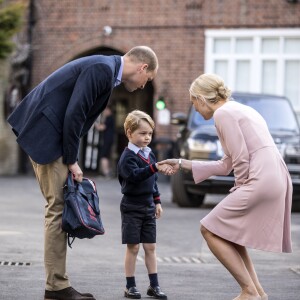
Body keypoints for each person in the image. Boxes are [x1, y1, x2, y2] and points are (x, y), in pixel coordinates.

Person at [7, 46, 159, 300]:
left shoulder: (106, 69)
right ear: (142, 68)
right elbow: (74, 113)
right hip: (48, 137)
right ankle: (56, 287)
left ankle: (57, 285)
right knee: (57, 208)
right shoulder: (102, 69)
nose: (145, 85)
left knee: (58, 207)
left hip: (49, 135)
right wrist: (72, 159)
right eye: (149, 79)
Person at [159, 73, 292, 300]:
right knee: (230, 233)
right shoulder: (240, 109)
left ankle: (249, 291)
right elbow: (226, 163)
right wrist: (181, 163)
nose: (196, 110)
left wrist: (241, 186)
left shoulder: (223, 114)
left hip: (260, 177)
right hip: (275, 174)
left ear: (202, 99)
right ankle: (258, 292)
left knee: (209, 228)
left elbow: (240, 159)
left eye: (194, 103)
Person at [117, 110, 169, 299]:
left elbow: (152, 180)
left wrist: (157, 201)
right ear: (130, 133)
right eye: (142, 133)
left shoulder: (149, 154)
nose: (147, 137)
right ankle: (130, 285)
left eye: (149, 133)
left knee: (150, 247)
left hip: (148, 206)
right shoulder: (127, 157)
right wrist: (154, 167)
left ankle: (154, 285)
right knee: (133, 247)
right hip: (131, 206)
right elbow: (135, 176)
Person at [94, 106, 115, 177]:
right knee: (106, 155)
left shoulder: (109, 118)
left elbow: (102, 128)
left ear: (109, 110)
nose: (104, 112)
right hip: (109, 140)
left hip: (107, 140)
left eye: (105, 111)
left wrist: (95, 123)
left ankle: (106, 172)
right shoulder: (110, 118)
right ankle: (107, 172)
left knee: (103, 155)